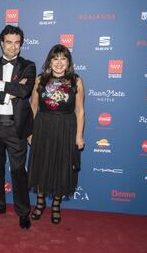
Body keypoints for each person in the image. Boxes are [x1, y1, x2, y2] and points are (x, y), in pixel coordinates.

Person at [0, 25, 36, 230]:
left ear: (21, 45)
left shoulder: (29, 66)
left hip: (16, 127)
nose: (12, 47)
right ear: (1, 43)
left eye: (16, 42)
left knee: (19, 171)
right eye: (8, 42)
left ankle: (23, 212)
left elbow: (24, 90)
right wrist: (9, 91)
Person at [28, 44, 85, 224]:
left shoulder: (76, 81)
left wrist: (78, 136)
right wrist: (29, 132)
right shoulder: (40, 80)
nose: (59, 63)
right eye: (55, 58)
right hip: (42, 127)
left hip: (65, 128)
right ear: (49, 61)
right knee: (41, 165)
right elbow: (33, 107)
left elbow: (80, 111)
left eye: (63, 58)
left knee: (61, 166)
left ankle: (56, 206)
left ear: (68, 62)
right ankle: (40, 203)